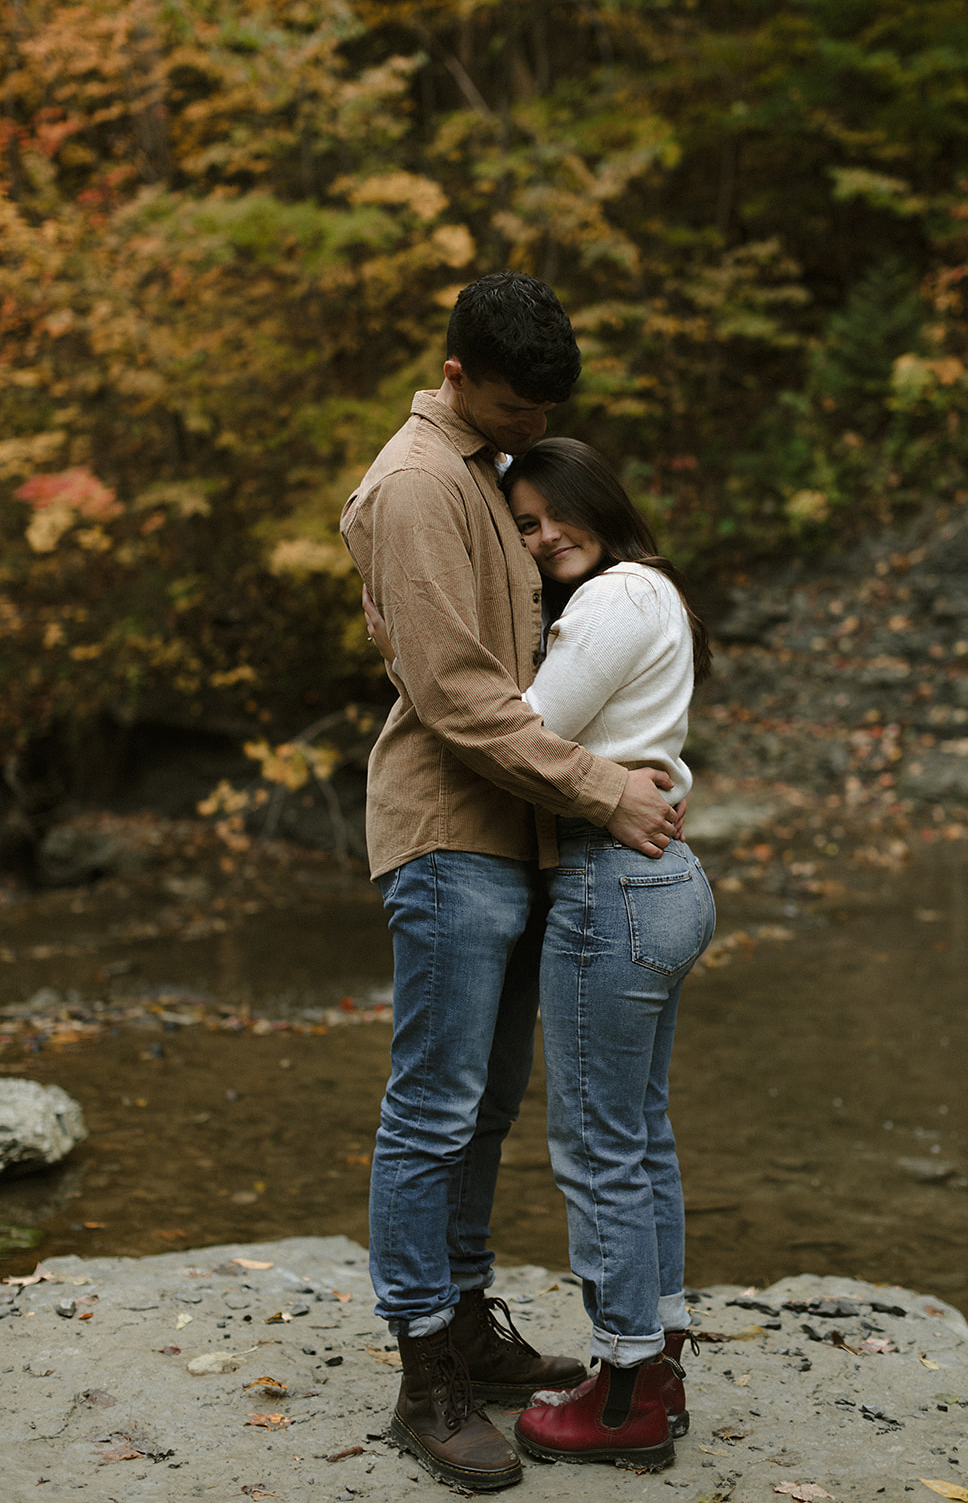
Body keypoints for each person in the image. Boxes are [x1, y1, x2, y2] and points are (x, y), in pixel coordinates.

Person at [340, 273, 684, 1493]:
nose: (535, 422)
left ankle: (467, 1319)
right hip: (449, 834)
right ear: (456, 374)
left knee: (482, 1108)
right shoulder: (421, 483)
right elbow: (455, 696)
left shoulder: (484, 471)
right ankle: (423, 1370)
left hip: (510, 836)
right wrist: (602, 789)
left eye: (547, 404)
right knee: (431, 1108)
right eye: (516, 400)